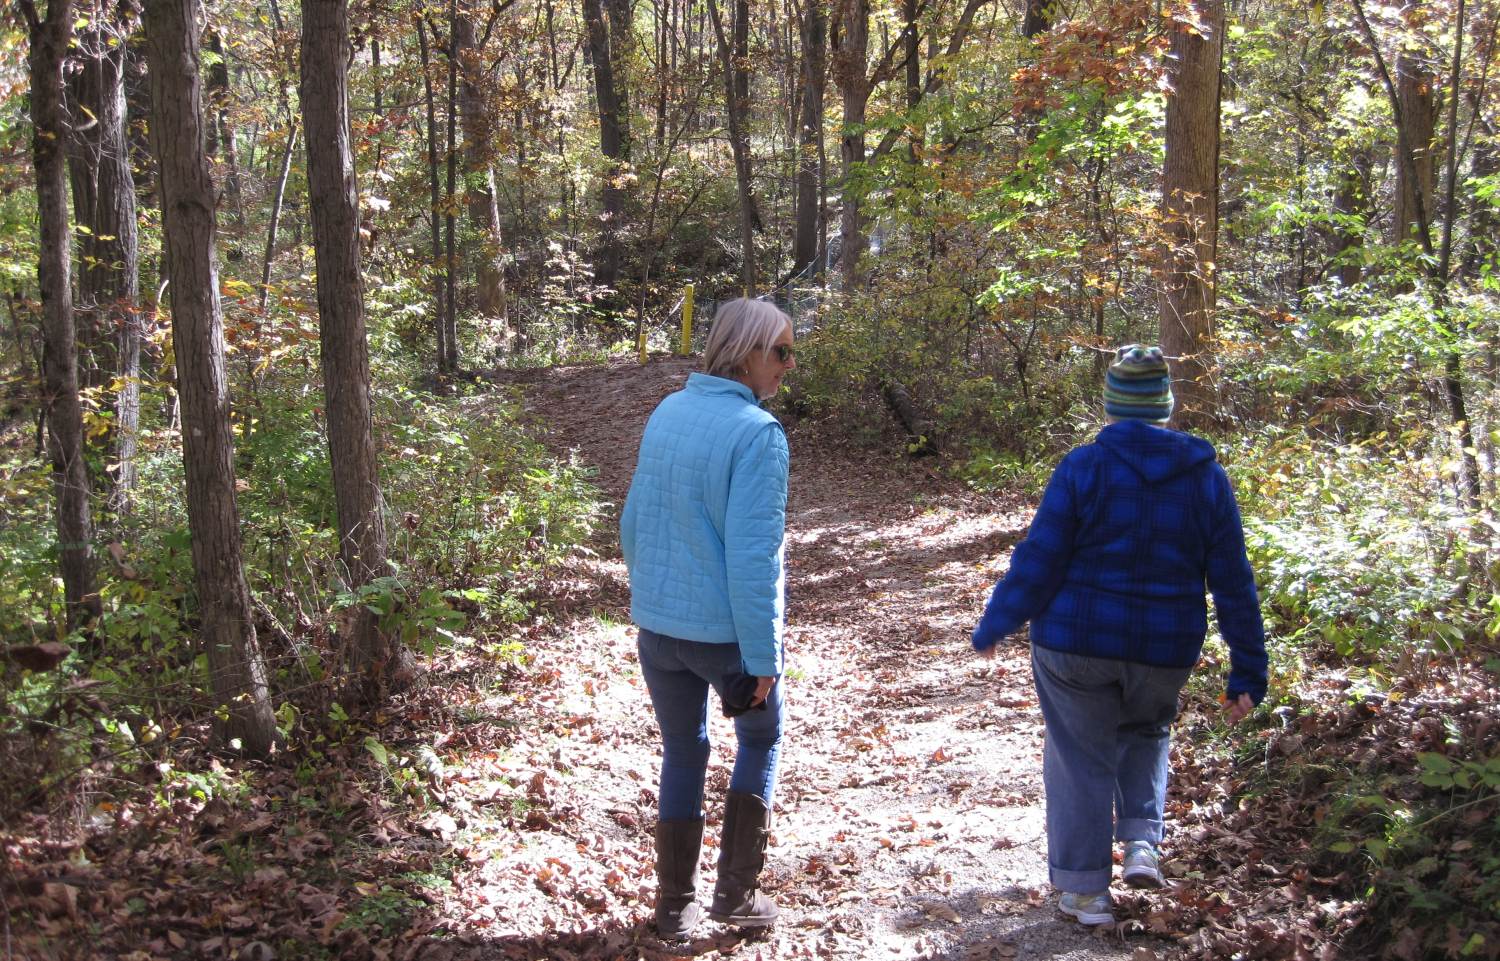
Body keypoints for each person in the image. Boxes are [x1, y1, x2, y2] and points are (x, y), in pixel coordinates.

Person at [969, 344, 1268, 926]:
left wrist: (999, 619)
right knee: (1148, 728)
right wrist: (1247, 670)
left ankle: (1085, 892)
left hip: (1075, 642)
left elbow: (1042, 558)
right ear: (1165, 405)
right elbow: (1233, 582)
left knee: (1080, 757)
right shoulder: (1207, 479)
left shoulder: (1084, 466)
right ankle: (1140, 843)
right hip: (1164, 647)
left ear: (1111, 406)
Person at [620, 297, 797, 938]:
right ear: (746, 352)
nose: (787, 365)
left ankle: (672, 910)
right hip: (721, 639)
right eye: (779, 351)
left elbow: (633, 521)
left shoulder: (669, 409)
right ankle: (735, 895)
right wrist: (763, 660)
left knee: (684, 750)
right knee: (761, 736)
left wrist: (653, 601)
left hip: (658, 631)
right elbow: (755, 563)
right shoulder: (758, 436)